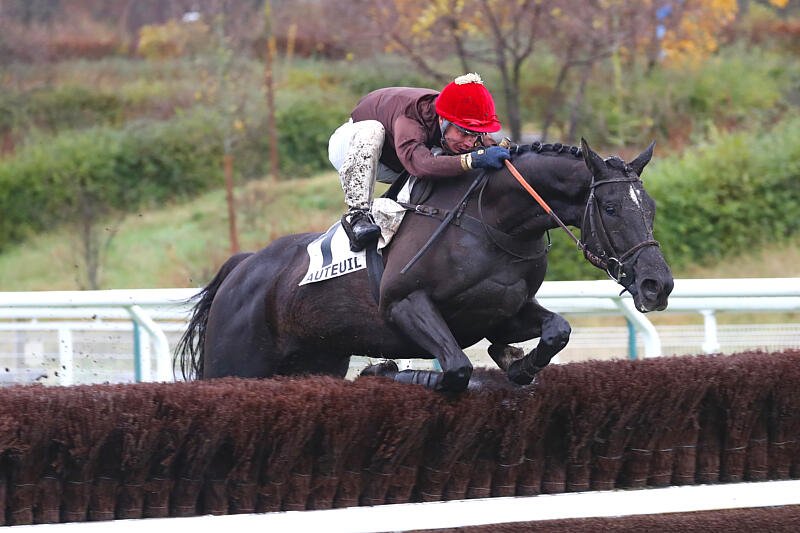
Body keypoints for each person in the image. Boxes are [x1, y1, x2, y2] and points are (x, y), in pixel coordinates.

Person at [328, 72, 511, 252]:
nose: (469, 142)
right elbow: (421, 165)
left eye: (475, 134)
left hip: (398, 157)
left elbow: (488, 147)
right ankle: (357, 216)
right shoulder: (411, 117)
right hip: (351, 148)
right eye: (463, 133)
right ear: (443, 119)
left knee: (450, 158)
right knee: (374, 132)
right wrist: (472, 159)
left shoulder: (458, 122)